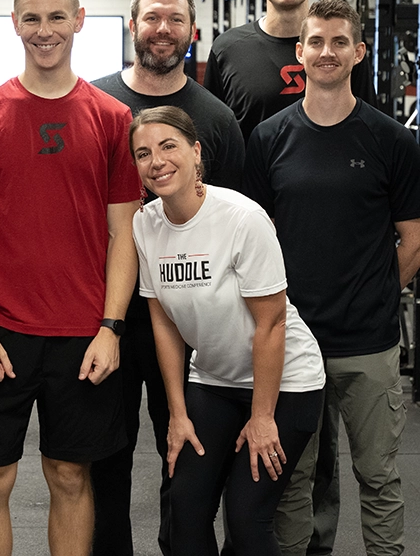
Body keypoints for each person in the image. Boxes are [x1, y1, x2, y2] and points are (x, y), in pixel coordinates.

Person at [0, 0, 140, 556]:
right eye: (32, 18)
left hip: (83, 337)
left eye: (57, 16)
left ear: (79, 21)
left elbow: (124, 235)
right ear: (14, 24)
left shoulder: (112, 118)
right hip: (1, 333)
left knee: (70, 475)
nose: (44, 29)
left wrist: (111, 328)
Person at [244, 0, 420, 556]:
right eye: (315, 42)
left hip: (368, 343)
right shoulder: (269, 139)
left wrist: (372, 292)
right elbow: (256, 240)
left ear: (358, 52)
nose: (326, 52)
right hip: (294, 344)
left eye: (338, 42)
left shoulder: (392, 140)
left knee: (378, 477)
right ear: (299, 52)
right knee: (293, 481)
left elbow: (414, 240)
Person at [91, 0, 244, 556]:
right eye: (152, 17)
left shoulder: (217, 120)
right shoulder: (99, 105)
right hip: (109, 318)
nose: (162, 28)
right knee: (107, 458)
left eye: (175, 18)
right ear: (133, 25)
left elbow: (232, 224)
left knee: (184, 456)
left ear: (193, 31)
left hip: (189, 323)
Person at [130, 104, 325, 556]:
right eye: (143, 153)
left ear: (196, 152)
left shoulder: (241, 218)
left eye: (168, 146)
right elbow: (164, 322)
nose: (157, 161)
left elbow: (271, 322)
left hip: (286, 381)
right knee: (185, 506)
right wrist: (177, 414)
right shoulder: (146, 225)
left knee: (246, 515)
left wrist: (262, 418)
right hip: (214, 380)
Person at [203, 0, 375, 143]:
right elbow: (211, 138)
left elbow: (369, 129)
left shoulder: (341, 48)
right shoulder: (228, 49)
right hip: (253, 177)